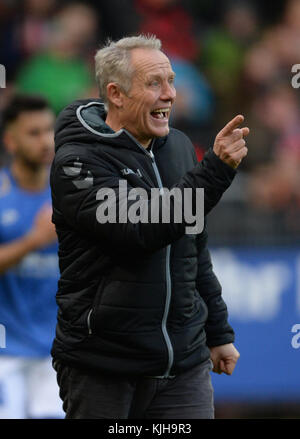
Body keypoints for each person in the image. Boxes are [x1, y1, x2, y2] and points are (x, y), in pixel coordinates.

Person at [51, 35, 249, 419]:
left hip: (183, 363)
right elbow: (142, 228)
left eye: (172, 81)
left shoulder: (177, 145)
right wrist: (216, 170)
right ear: (117, 93)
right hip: (104, 365)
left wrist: (218, 332)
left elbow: (193, 243)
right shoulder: (76, 163)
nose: (170, 94)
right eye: (154, 83)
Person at [0, 95, 64, 418]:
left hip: (55, 355)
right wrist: (33, 241)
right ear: (10, 141)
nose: (46, 141)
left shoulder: (69, 195)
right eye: (34, 133)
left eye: (49, 130)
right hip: (5, 353)